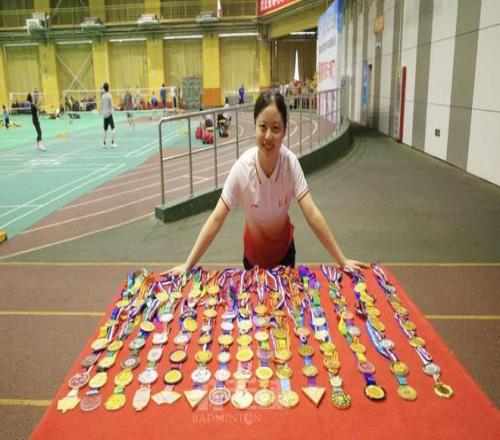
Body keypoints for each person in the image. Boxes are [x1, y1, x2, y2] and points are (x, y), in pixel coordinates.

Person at [168, 91, 367, 275]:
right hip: (252, 259)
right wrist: (188, 264)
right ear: (255, 125)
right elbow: (216, 218)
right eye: (262, 127)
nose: (268, 136)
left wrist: (342, 260)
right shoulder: (242, 168)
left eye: (276, 128)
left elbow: (312, 213)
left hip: (285, 255)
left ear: (285, 130)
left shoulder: (290, 164)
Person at [101, 82, 118, 148]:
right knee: (113, 130)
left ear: (104, 88)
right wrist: (117, 108)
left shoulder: (102, 96)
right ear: (108, 88)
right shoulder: (109, 95)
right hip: (109, 115)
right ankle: (112, 143)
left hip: (104, 115)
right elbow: (111, 104)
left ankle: (104, 144)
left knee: (105, 130)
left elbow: (103, 105)